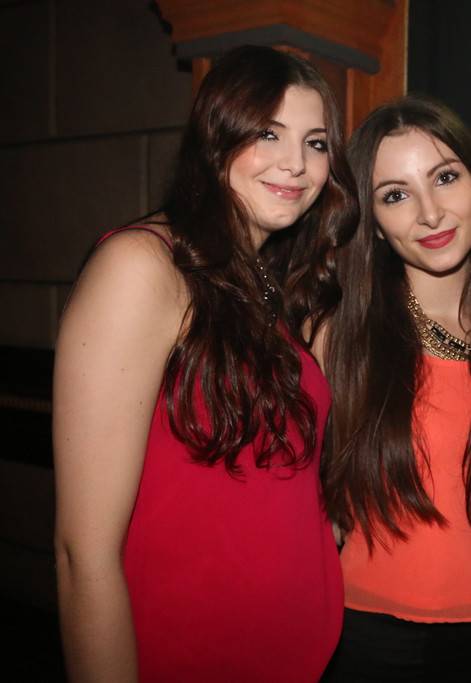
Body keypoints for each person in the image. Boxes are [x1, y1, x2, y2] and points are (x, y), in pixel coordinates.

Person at [53, 46, 357, 681]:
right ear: (217, 136)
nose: (296, 163)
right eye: (268, 133)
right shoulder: (141, 268)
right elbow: (84, 553)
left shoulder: (268, 284)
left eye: (316, 143)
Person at [318, 94, 471, 682]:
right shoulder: (341, 334)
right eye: (396, 195)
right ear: (373, 224)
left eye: (444, 178)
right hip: (377, 641)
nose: (431, 213)